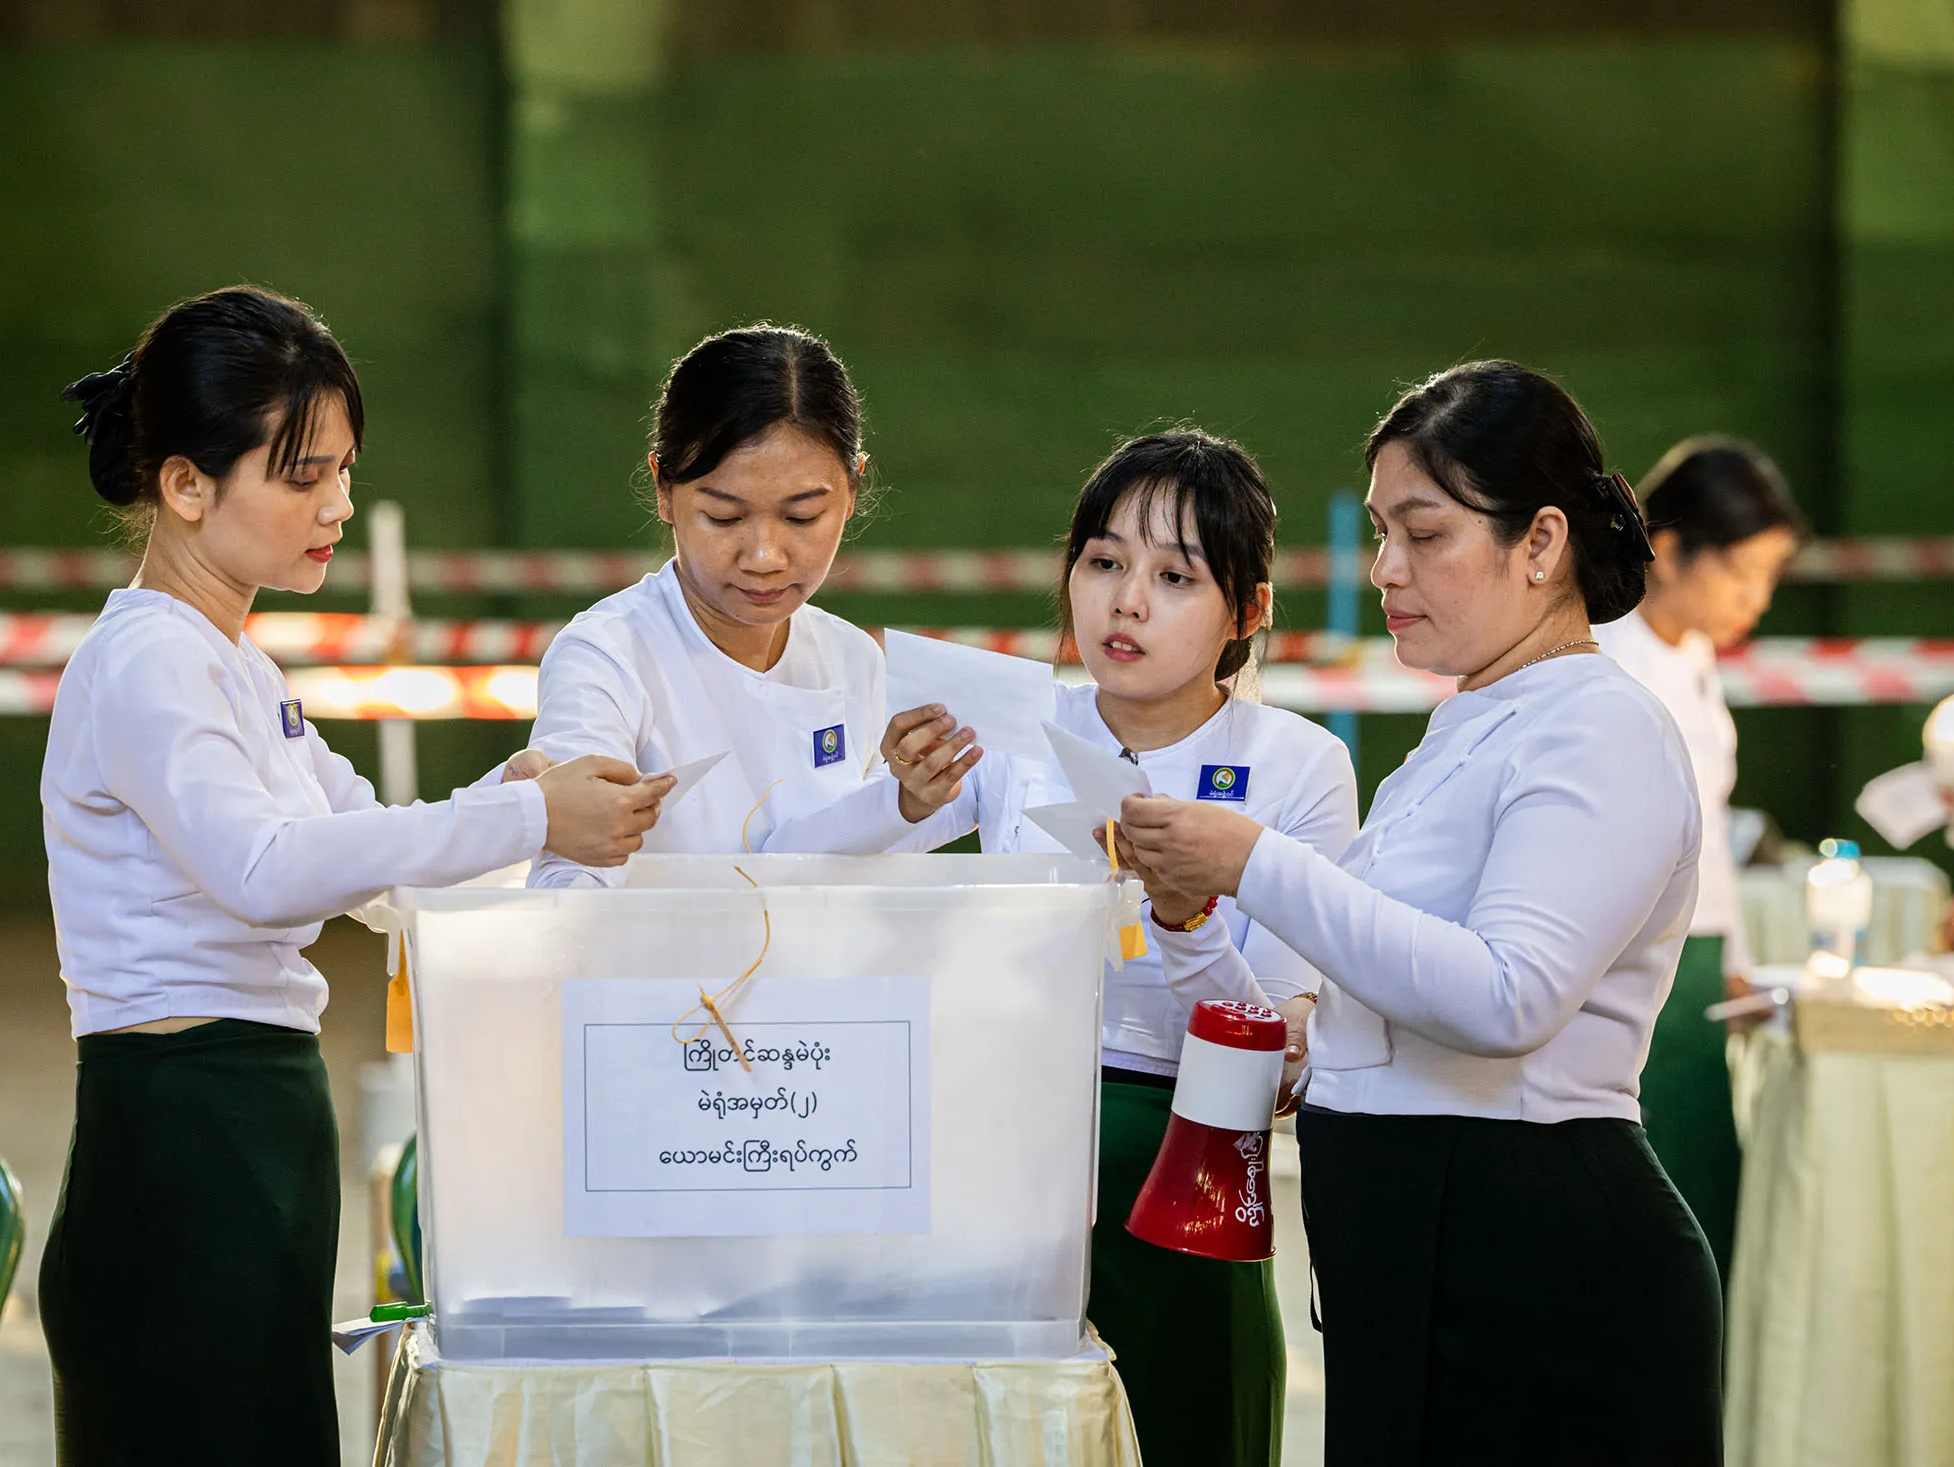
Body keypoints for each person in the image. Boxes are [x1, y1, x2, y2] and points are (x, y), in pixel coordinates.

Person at [38, 286, 666, 1465]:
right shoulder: (147, 664)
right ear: (186, 486)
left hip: (259, 1124)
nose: (337, 505)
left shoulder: (235, 663)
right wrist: (530, 814)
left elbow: (375, 872)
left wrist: (517, 804)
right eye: (301, 475)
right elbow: (268, 873)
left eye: (342, 471)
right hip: (175, 1130)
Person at [1111, 362, 1721, 1465]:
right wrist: (1306, 1017)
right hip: (1421, 1243)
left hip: (1533, 1251)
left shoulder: (1598, 727)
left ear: (1540, 544)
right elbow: (1407, 982)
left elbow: (1507, 996)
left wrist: (1256, 864)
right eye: (1382, 532)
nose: (1385, 568)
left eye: (1423, 535)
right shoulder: (1472, 722)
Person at [879, 429, 1358, 1467]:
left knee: (1196, 1424)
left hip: (1187, 1157)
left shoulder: (1297, 765)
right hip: (1006, 1152)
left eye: (1174, 576)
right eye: (1101, 561)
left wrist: (1185, 921)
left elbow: (1274, 1059)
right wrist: (897, 792)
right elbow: (843, 867)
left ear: (1250, 611)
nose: (1124, 601)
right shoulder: (1010, 730)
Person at [526, 324, 937, 886]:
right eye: (724, 517)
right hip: (656, 971)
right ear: (664, 491)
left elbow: (838, 872)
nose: (765, 556)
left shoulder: (851, 659)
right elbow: (567, 876)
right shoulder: (607, 655)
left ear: (853, 489)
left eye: (802, 517)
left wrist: (904, 802)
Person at [1599, 435, 1807, 1285]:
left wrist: (1739, 961)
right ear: (1674, 549)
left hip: (1700, 966)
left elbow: (1708, 829)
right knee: (1652, 1225)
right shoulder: (1606, 657)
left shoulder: (1691, 651)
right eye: (1742, 573)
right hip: (1637, 967)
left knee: (1704, 1212)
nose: (1755, 599)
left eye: (1768, 577)